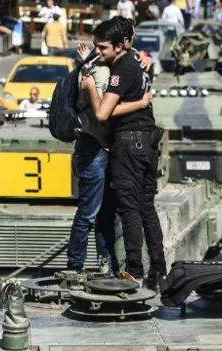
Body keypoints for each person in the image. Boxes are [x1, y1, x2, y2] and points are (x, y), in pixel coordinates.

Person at [80, 19, 166, 289]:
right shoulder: (136, 61)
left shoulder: (121, 69)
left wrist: (92, 87)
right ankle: (158, 268)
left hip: (128, 144)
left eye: (103, 47)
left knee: (129, 209)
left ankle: (134, 271)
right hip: (147, 142)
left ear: (120, 45)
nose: (98, 52)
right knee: (145, 207)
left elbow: (103, 113)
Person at [67, 37, 152, 278]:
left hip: (106, 149)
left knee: (105, 213)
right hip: (93, 148)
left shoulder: (109, 66)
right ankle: (75, 267)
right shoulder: (98, 72)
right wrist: (140, 103)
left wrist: (146, 60)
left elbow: (135, 60)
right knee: (89, 212)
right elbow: (104, 112)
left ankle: (106, 265)